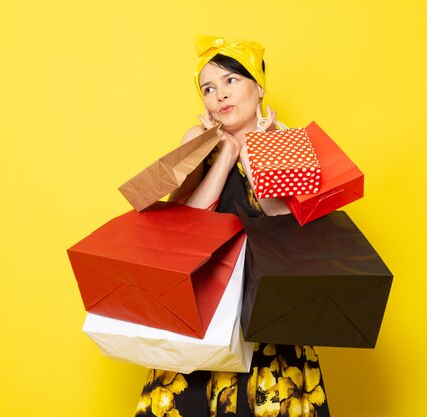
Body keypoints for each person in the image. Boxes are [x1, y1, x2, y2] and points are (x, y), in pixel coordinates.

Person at [134, 36, 330, 417]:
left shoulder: (287, 141)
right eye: (209, 88)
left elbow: (281, 227)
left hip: (268, 306)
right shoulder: (197, 142)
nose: (220, 95)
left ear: (258, 87)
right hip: (206, 305)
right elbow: (188, 226)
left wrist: (258, 150)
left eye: (231, 81)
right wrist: (224, 154)